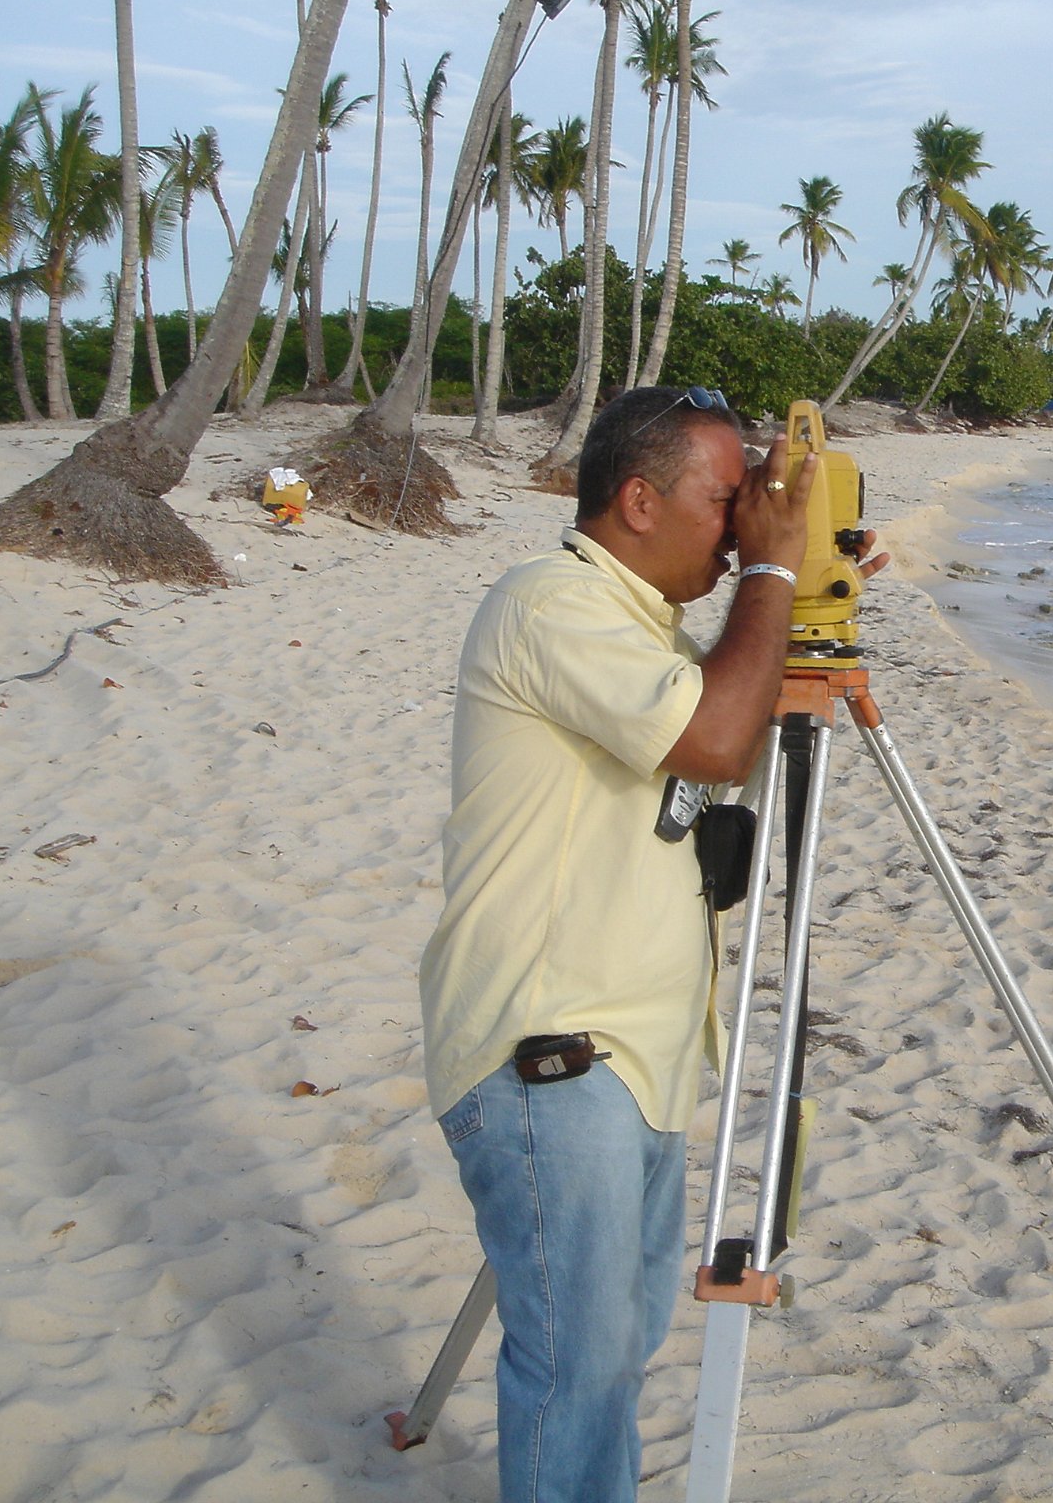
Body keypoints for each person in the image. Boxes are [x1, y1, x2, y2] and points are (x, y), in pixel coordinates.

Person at [417, 386, 883, 1502]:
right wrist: (774, 576)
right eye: (726, 504)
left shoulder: (648, 630)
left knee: (610, 1352)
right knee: (575, 1368)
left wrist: (809, 579)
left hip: (637, 1060)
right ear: (635, 502)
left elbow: (726, 704)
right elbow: (718, 741)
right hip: (553, 1058)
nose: (739, 529)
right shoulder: (549, 606)